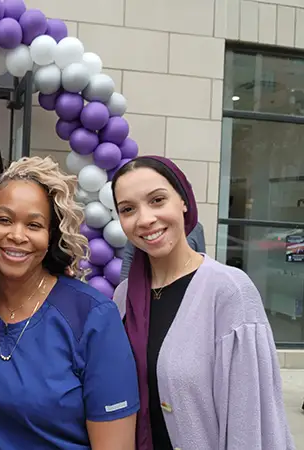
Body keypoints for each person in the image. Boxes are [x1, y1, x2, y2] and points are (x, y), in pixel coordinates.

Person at [110, 155, 295, 450]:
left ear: (183, 201)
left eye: (157, 200)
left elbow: (251, 421)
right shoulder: (124, 297)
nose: (145, 219)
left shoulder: (229, 292)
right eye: (128, 209)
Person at [0, 156, 139, 450]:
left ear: (51, 236)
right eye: (4, 220)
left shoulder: (92, 318)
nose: (17, 236)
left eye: (34, 225)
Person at [120, 222, 205, 282]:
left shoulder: (196, 228)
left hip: (187, 286)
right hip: (147, 287)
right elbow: (129, 257)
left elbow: (201, 262)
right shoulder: (144, 226)